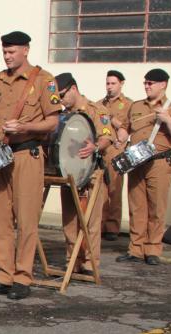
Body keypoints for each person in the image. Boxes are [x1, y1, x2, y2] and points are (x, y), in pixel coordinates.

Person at [0, 31, 61, 300]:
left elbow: (53, 122)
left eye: (12, 51)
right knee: (1, 219)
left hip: (27, 154)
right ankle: (4, 274)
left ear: (26, 50)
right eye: (4, 52)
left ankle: (23, 277)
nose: (7, 56)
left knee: (27, 219)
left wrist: (27, 126)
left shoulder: (43, 80)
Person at [116, 68, 171, 266]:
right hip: (136, 161)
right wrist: (121, 135)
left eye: (151, 83)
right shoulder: (136, 105)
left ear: (163, 84)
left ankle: (153, 249)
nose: (147, 86)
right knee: (136, 206)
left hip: (159, 162)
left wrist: (168, 120)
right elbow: (125, 127)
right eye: (145, 83)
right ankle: (135, 248)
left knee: (157, 207)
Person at [55, 72, 113, 275]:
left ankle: (90, 262)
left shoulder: (97, 110)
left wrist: (95, 146)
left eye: (62, 95)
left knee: (90, 222)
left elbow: (107, 136)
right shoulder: (61, 116)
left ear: (73, 89)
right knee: (70, 221)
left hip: (91, 174)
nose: (60, 101)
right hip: (68, 175)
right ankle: (73, 259)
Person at [100, 70, 132, 241]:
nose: (110, 87)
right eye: (108, 83)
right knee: (100, 190)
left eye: (113, 83)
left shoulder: (128, 105)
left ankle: (112, 226)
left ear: (121, 84)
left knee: (115, 189)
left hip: (117, 149)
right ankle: (100, 224)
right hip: (101, 151)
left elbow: (128, 129)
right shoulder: (99, 104)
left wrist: (112, 119)